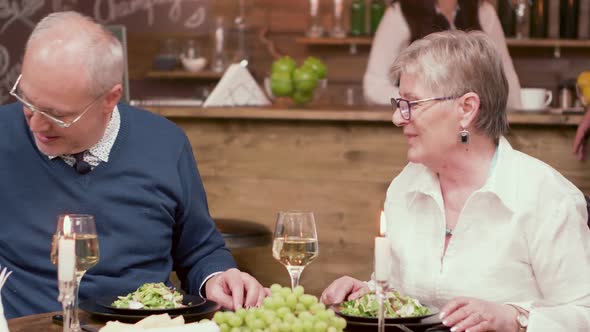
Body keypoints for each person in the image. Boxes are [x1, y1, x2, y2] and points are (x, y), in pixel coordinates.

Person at [0, 11, 267, 319]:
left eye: (56, 114)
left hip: (142, 325)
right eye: (27, 102)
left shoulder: (166, 143)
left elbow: (199, 251)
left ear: (109, 99)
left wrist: (218, 277)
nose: (35, 124)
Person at [322, 30, 590, 332]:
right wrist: (368, 294)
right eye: (399, 103)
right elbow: (405, 298)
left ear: (466, 109)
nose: (398, 118)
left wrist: (513, 319)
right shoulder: (406, 186)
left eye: (412, 103)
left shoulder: (545, 197)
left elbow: (584, 312)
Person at [364, 0, 522, 110]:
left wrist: (516, 118)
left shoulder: (484, 12)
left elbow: (505, 77)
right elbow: (374, 86)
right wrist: (421, 101)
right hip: (422, 126)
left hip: (475, 127)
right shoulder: (400, 13)